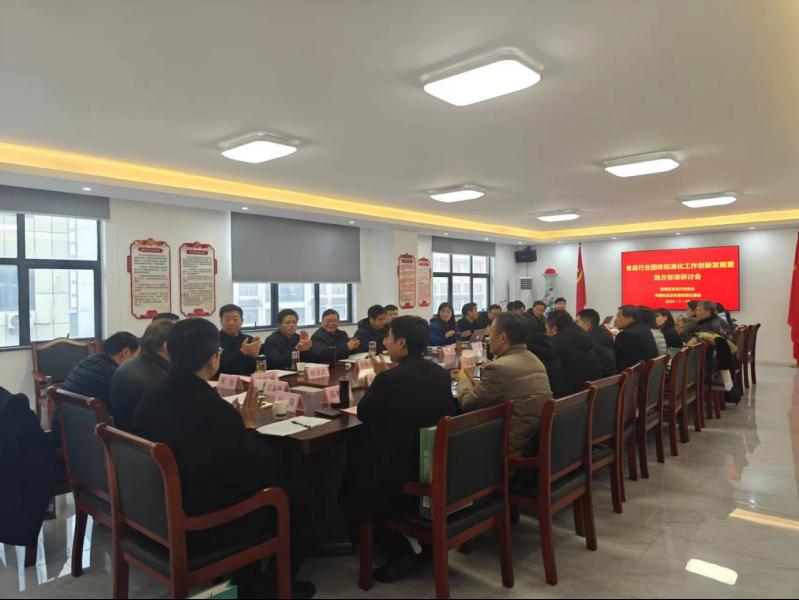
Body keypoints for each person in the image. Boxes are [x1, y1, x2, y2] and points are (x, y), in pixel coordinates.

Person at [132, 318, 315, 598]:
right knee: (301, 494)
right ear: (213, 359)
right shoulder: (213, 409)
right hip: (200, 524)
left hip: (153, 512)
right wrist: (249, 425)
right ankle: (271, 585)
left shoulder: (150, 397)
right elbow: (255, 470)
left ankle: (249, 577)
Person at [345, 316, 455, 583]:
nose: (385, 343)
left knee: (352, 484)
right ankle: (426, 546)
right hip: (433, 459)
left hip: (401, 468)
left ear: (402, 343)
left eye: (388, 338)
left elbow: (364, 412)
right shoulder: (440, 373)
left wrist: (381, 378)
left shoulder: (389, 379)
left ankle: (399, 553)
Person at [454, 312, 553, 455]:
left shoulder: (499, 368)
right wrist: (471, 379)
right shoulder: (533, 358)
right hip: (535, 439)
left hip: (512, 443)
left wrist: (463, 378)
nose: (488, 339)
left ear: (503, 338)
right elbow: (493, 392)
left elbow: (468, 405)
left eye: (490, 335)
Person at [53, 332, 139, 446]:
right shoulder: (115, 375)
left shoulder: (87, 361)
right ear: (126, 352)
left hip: (62, 433)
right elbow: (124, 417)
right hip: (87, 443)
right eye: (138, 356)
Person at [110, 319, 173, 431]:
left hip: (124, 437)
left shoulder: (127, 365)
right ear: (166, 346)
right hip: (146, 439)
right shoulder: (160, 381)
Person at [546, 311, 602, 396]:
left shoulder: (556, 344)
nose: (546, 333)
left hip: (571, 397)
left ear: (554, 329)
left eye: (546, 329)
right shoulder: (582, 335)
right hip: (592, 393)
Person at [218, 304, 262, 375]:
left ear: (242, 321)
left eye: (235, 319)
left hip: (249, 379)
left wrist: (255, 357)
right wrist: (242, 353)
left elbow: (257, 368)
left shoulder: (249, 340)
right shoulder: (213, 341)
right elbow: (219, 369)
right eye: (227, 319)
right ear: (221, 321)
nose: (231, 323)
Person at [613, 305, 659, 372]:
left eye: (618, 316)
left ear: (630, 318)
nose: (615, 320)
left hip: (632, 376)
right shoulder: (645, 329)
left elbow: (614, 359)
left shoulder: (626, 334)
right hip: (648, 373)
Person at [575, 308, 618, 377]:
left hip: (598, 380)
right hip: (610, 378)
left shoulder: (587, 341)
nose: (574, 325)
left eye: (577, 322)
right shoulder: (604, 333)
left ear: (588, 325)